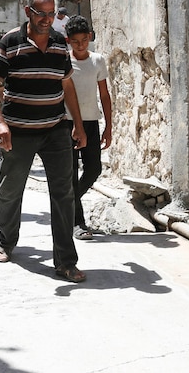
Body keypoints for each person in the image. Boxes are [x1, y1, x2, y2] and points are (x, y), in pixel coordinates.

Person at [0, 0, 88, 283]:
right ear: (27, 11)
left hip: (55, 129)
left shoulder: (59, 44)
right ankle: (6, 239)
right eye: (40, 13)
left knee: (64, 194)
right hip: (19, 131)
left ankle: (65, 261)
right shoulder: (10, 43)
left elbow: (67, 85)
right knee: (10, 190)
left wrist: (77, 125)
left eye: (51, 13)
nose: (46, 19)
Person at [65, 15, 113, 241]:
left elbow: (104, 94)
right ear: (68, 41)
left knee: (93, 169)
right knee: (71, 174)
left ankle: (70, 203)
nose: (80, 45)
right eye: (75, 41)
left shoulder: (97, 61)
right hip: (66, 123)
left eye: (84, 40)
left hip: (91, 122)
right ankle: (78, 223)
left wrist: (109, 126)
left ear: (90, 38)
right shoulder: (65, 62)